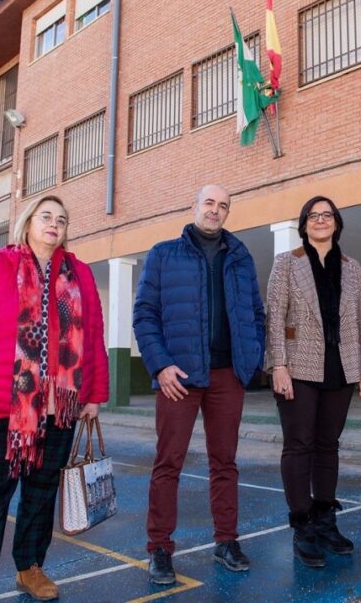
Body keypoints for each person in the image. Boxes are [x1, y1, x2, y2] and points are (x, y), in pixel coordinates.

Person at [0, 195, 108, 603]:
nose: (54, 224)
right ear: (28, 222)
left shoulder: (81, 275)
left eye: (62, 219)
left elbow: (93, 337)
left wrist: (94, 394)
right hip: (5, 407)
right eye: (46, 216)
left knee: (40, 494)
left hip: (60, 409)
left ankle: (30, 567)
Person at [134, 184, 266, 585]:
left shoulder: (240, 257)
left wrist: (251, 360)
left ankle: (226, 542)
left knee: (224, 463)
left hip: (229, 376)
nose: (216, 210)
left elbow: (256, 314)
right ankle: (159, 548)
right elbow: (144, 315)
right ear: (194, 206)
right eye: (209, 203)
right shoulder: (163, 254)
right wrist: (160, 367)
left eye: (223, 205)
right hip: (180, 376)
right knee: (168, 463)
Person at [266, 196, 361, 568]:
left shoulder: (352, 267)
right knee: (299, 445)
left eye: (327, 215)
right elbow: (274, 317)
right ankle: (303, 526)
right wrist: (278, 365)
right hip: (298, 367)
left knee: (329, 446)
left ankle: (326, 520)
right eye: (313, 216)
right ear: (304, 224)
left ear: (337, 223)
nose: (320, 221)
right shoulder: (287, 263)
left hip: (341, 368)